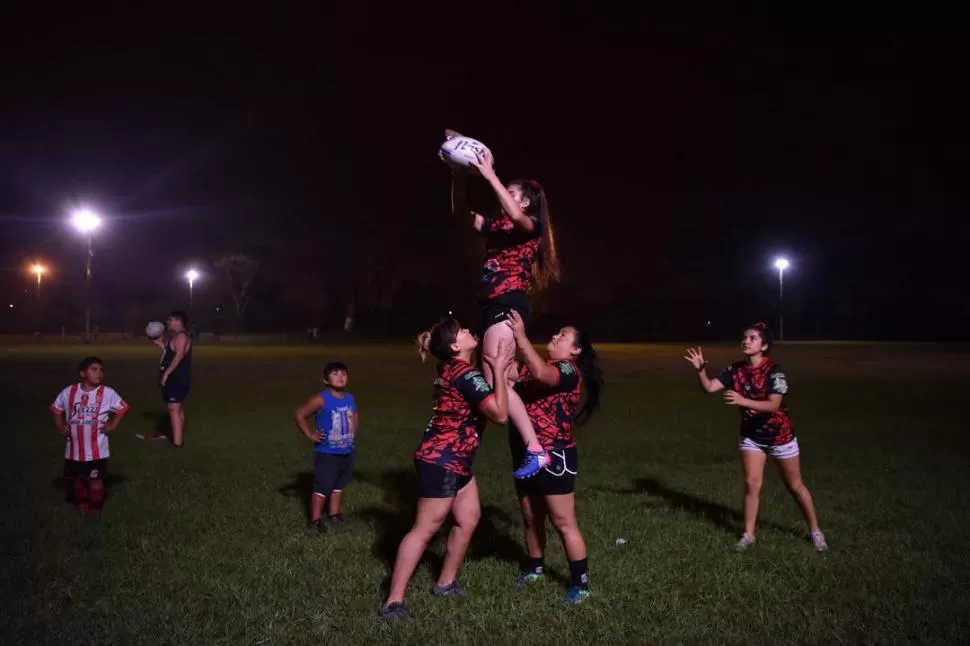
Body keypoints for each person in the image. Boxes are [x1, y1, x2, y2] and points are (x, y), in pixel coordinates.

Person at [379, 318, 514, 622]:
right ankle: (392, 603)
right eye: (463, 332)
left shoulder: (450, 368)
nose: (469, 331)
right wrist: (502, 373)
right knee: (424, 529)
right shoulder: (464, 373)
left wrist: (492, 368)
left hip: (454, 458)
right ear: (455, 347)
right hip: (443, 461)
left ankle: (445, 583)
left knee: (469, 518)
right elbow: (501, 415)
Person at [447, 129, 560, 479]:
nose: (505, 196)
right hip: (490, 308)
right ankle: (536, 421)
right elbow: (461, 213)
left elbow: (516, 214)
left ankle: (536, 449)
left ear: (524, 201)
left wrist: (489, 172)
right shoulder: (497, 228)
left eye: (512, 193)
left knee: (495, 377)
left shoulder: (530, 226)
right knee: (505, 376)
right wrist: (458, 177)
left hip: (506, 305)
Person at [685, 322, 828, 552]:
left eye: (752, 338)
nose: (746, 341)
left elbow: (773, 405)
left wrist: (742, 401)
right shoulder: (736, 370)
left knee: (795, 486)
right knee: (752, 484)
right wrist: (700, 370)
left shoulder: (774, 371)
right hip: (752, 436)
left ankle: (816, 532)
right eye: (744, 337)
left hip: (780, 436)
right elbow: (710, 387)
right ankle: (748, 536)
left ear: (764, 345)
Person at [505, 311, 604, 604]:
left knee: (563, 521)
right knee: (529, 515)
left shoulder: (569, 370)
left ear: (576, 350)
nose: (554, 337)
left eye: (563, 336)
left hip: (555, 455)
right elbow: (509, 371)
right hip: (526, 452)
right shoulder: (542, 365)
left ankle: (581, 584)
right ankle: (535, 567)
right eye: (556, 333)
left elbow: (540, 374)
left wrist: (521, 336)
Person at [50, 357, 129, 516]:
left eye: (101, 370)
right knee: (76, 479)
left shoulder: (107, 393)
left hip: (96, 449)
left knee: (95, 480)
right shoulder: (69, 392)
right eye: (94, 369)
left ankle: (95, 506)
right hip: (73, 448)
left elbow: (122, 408)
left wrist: (112, 425)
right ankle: (81, 503)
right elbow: (56, 408)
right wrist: (59, 425)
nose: (99, 373)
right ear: (82, 373)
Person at [293, 361, 359, 533]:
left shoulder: (350, 398)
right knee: (323, 487)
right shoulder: (321, 399)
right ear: (325, 379)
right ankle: (315, 520)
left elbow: (354, 414)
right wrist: (310, 435)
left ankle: (334, 514)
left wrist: (352, 432)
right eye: (335, 373)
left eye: (343, 373)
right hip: (327, 453)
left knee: (339, 485)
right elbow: (300, 414)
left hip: (347, 452)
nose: (340, 377)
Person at [153, 311, 193, 447]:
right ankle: (178, 438)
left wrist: (167, 374)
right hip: (178, 378)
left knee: (173, 409)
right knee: (178, 408)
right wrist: (161, 346)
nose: (167, 322)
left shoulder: (181, 337)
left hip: (177, 379)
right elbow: (171, 353)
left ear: (178, 321)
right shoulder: (176, 337)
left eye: (170, 320)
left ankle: (177, 443)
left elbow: (179, 356)